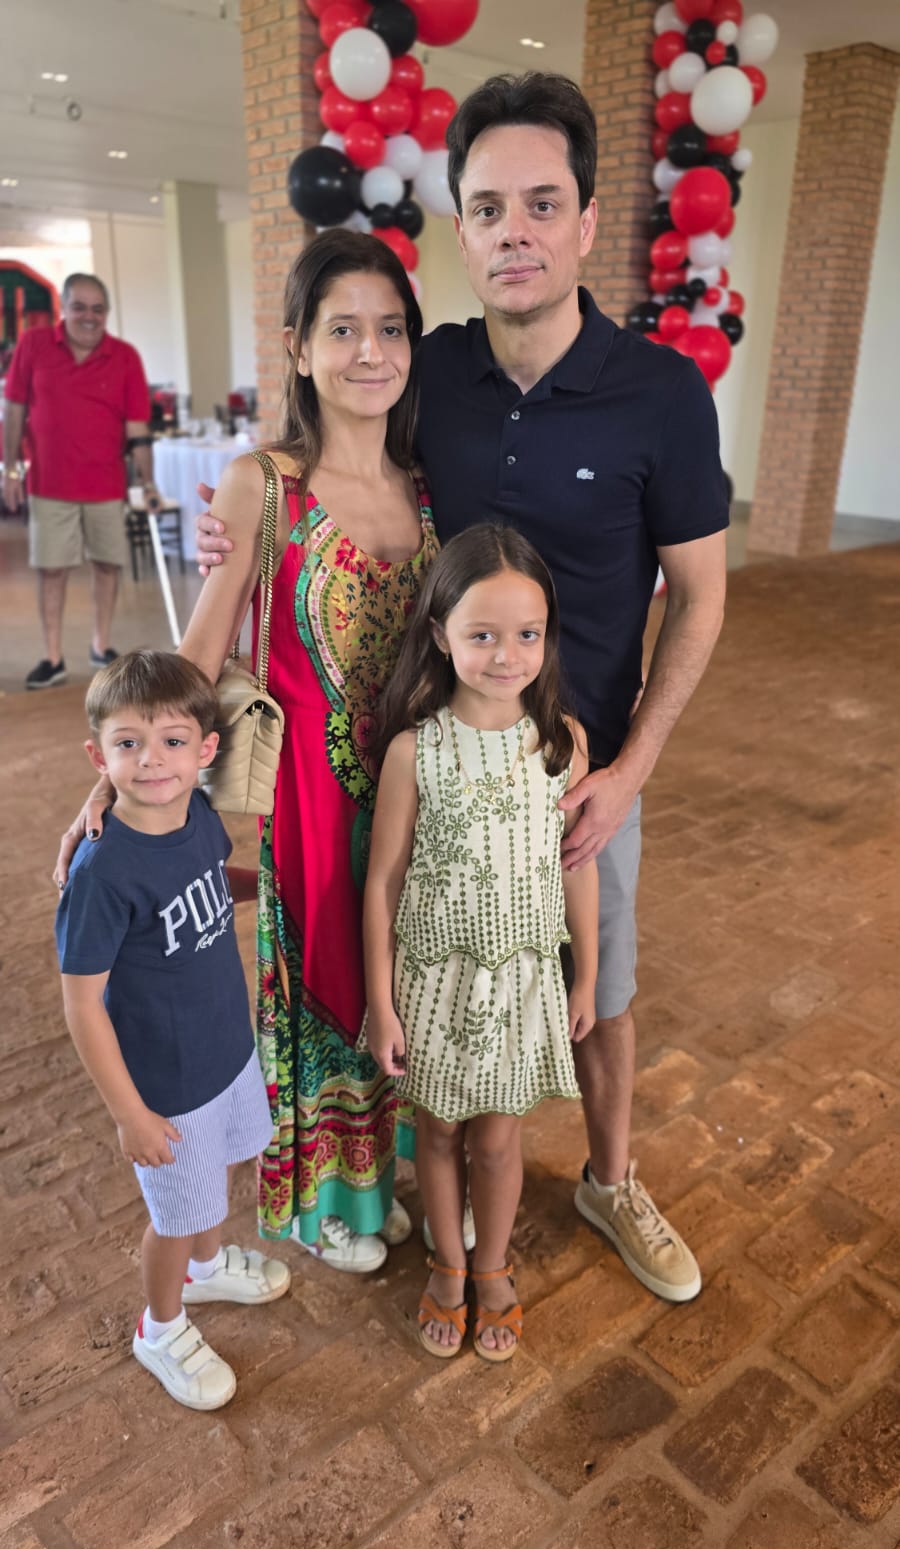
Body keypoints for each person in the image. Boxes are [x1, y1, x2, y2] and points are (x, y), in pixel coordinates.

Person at [189, 73, 730, 1305]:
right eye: (488, 208)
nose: (515, 231)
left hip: (577, 774)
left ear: (589, 222)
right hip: (423, 770)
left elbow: (699, 598)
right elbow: (332, 445)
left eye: (543, 203)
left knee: (601, 994)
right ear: (464, 228)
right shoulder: (430, 373)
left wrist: (627, 771)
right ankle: (426, 1167)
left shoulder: (661, 393)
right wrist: (236, 524)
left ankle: (608, 1174)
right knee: (430, 974)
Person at [55, 233, 439, 1271]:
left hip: (412, 795)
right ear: (299, 348)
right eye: (343, 328)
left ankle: (384, 1176)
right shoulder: (263, 484)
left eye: (391, 328)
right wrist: (120, 777)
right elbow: (199, 653)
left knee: (394, 981)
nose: (371, 351)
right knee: (323, 989)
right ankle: (329, 1204)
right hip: (312, 799)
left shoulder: (427, 482)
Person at [365, 525, 598, 1361]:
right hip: (434, 978)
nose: (508, 655)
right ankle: (448, 1263)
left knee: (498, 1138)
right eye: (483, 634)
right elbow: (383, 882)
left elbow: (578, 870)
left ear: (548, 636)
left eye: (527, 634)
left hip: (519, 980)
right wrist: (381, 1001)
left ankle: (493, 1266)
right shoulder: (413, 751)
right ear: (440, 634)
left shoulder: (563, 745)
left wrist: (586, 977)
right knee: (435, 1133)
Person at [56, 651, 290, 1411]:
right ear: (99, 756)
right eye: (128, 744)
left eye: (172, 742)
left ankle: (208, 1263)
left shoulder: (197, 814)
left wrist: (266, 889)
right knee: (172, 1215)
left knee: (215, 1177)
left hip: (224, 1048)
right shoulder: (102, 870)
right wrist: (131, 1113)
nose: (151, 760)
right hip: (164, 1082)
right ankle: (161, 1324)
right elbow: (82, 1003)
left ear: (206, 751)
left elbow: (211, 883)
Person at [2, 272, 162, 689]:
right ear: (64, 309)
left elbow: (138, 428)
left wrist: (148, 483)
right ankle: (52, 656)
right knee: (51, 569)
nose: (88, 317)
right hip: (50, 483)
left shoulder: (125, 356)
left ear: (106, 313)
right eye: (79, 307)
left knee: (107, 564)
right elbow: (15, 410)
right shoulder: (34, 345)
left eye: (97, 309)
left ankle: (100, 644)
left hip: (106, 483)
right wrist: (11, 468)